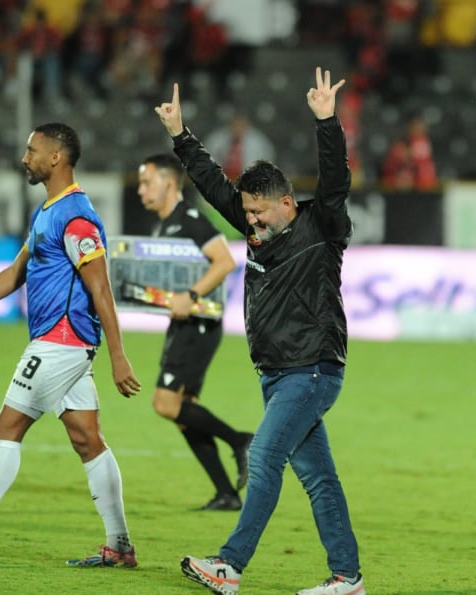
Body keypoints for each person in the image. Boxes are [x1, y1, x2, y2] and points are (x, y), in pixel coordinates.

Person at [154, 67, 365, 594]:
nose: (249, 221)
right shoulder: (254, 227)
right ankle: (347, 579)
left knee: (266, 455)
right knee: (319, 478)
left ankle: (230, 565)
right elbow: (212, 184)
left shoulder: (322, 227)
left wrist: (327, 122)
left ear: (288, 203)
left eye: (258, 211)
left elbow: (337, 179)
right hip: (276, 374)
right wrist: (181, 137)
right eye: (245, 212)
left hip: (311, 369)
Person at [0, 122, 142, 568]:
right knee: (88, 441)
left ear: (55, 158)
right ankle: (120, 546)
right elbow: (14, 274)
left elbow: (101, 288)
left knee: (5, 429)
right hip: (64, 345)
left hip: (59, 342)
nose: (24, 158)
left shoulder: (77, 216)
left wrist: (119, 356)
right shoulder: (47, 212)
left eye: (32, 150)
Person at [136, 153, 253, 511]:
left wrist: (191, 295)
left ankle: (241, 440)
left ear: (169, 183)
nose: (141, 190)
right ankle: (226, 493)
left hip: (199, 324)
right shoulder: (165, 224)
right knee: (185, 412)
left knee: (165, 403)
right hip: (185, 323)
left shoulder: (189, 220)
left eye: (146, 182)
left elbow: (225, 260)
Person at [203, 113, 276, 181]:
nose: (237, 129)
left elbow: (268, 158)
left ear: (246, 126)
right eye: (235, 125)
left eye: (241, 125)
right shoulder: (217, 139)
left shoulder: (258, 141)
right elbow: (207, 156)